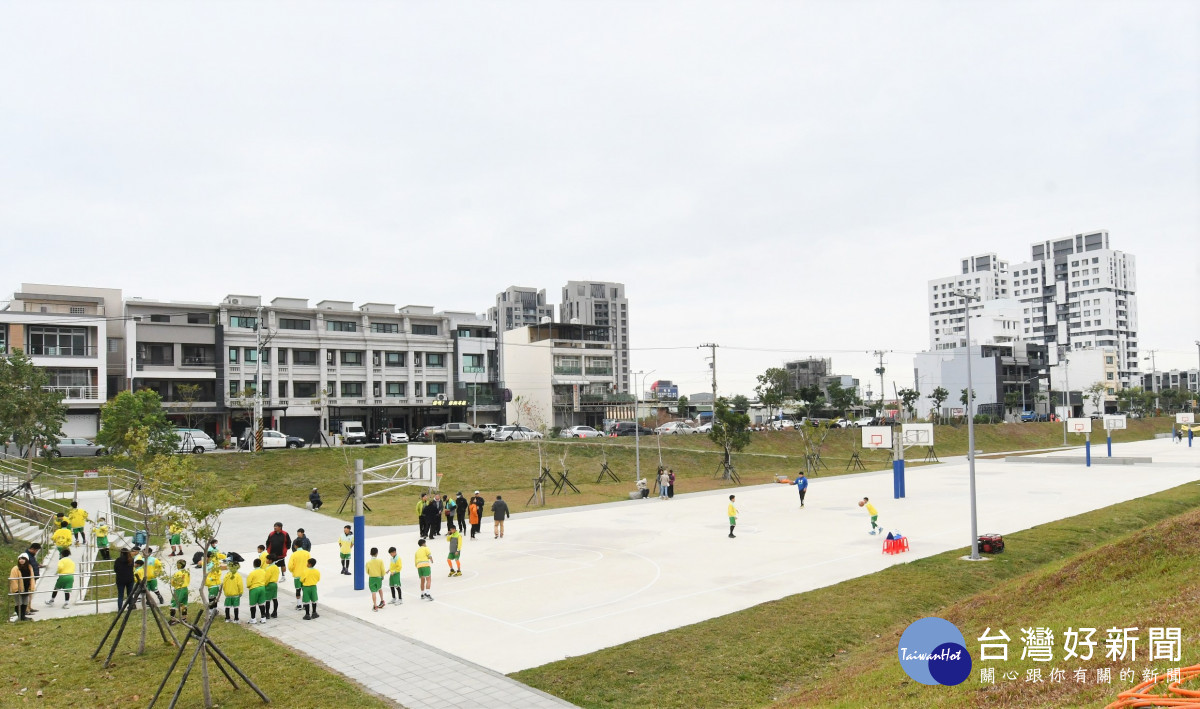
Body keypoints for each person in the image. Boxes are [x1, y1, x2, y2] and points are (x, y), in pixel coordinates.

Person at [288, 540, 312, 610]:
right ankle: (305, 604)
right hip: (305, 574)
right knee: (305, 590)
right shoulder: (307, 553)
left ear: (295, 546)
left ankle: (299, 605)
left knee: (298, 590)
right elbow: (310, 563)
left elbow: (290, 566)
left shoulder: (294, 555)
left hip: (297, 575)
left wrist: (293, 571)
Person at [9, 554, 33, 621]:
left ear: (26, 560)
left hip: (26, 588)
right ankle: (21, 616)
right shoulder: (15, 569)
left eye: (23, 559)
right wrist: (16, 589)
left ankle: (23, 616)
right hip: (18, 589)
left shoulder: (29, 567)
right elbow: (13, 579)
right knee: (19, 603)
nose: (21, 560)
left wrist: (31, 587)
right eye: (20, 559)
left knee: (25, 602)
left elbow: (32, 578)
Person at [246, 558, 267, 625]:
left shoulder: (252, 573)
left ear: (254, 565)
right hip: (262, 588)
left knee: (252, 605)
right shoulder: (263, 571)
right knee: (261, 604)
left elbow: (248, 583)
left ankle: (253, 619)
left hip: (254, 589)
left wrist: (249, 587)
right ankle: (263, 618)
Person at [169, 559, 190, 625]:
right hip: (185, 589)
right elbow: (188, 580)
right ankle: (184, 618)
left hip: (178, 589)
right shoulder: (187, 572)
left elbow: (172, 582)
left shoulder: (177, 573)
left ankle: (173, 619)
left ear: (179, 565)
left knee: (174, 603)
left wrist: (174, 585)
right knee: (184, 603)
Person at [263, 553, 281, 619]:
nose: (266, 560)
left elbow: (267, 578)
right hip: (275, 584)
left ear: (271, 560)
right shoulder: (276, 567)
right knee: (274, 598)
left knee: (267, 600)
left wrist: (264, 584)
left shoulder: (268, 568)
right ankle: (275, 612)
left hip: (269, 584)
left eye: (267, 559)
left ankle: (267, 613)